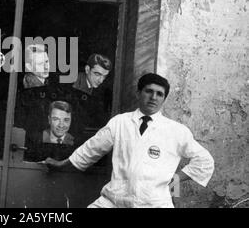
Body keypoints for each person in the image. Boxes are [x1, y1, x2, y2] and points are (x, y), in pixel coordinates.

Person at [45, 73, 215, 208]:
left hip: (155, 204)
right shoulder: (120, 122)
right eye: (149, 91)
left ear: (164, 98)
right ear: (138, 93)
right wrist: (62, 164)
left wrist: (175, 179)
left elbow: (204, 161)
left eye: (159, 94)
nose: (153, 97)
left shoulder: (176, 130)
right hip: (115, 201)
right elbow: (91, 149)